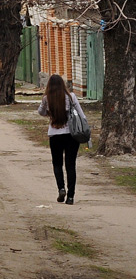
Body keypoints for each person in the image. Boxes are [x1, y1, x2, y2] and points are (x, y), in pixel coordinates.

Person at [38, 73, 87, 204]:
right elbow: (82, 115)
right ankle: (71, 196)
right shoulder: (71, 97)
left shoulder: (46, 99)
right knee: (71, 165)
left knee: (57, 164)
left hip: (55, 135)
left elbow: (41, 112)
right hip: (71, 135)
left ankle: (61, 188)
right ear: (62, 84)